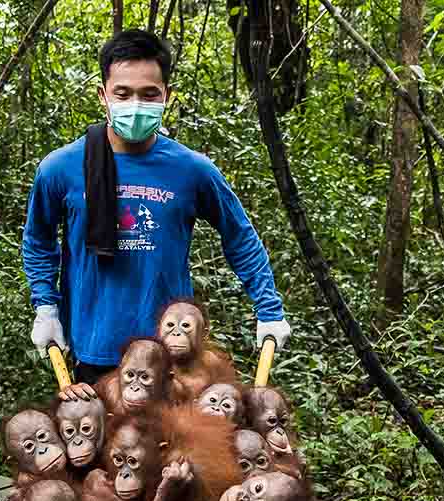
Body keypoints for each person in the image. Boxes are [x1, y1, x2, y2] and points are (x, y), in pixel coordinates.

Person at [22, 28, 291, 387]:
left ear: (167, 96)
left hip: (171, 354)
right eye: (123, 93)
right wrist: (46, 307)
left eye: (149, 94)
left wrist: (268, 309)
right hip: (93, 350)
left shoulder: (191, 169)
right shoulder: (61, 168)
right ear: (103, 95)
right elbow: (38, 240)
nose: (135, 103)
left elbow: (239, 237)